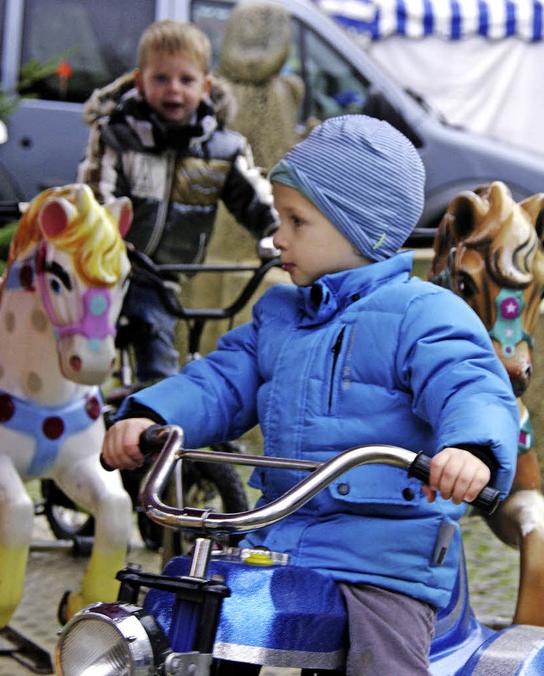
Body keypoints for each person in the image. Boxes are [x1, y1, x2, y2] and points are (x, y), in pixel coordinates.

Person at [102, 115, 519, 674]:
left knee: (384, 658)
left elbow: (470, 382)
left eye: (297, 221)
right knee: (196, 619)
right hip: (280, 537)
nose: (278, 237)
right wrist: (153, 413)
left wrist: (471, 451)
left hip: (382, 556)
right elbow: (222, 379)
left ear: (360, 228)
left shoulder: (424, 313)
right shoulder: (280, 315)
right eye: (279, 218)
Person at [77, 19, 278, 385]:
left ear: (206, 87)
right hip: (112, 265)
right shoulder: (119, 135)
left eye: (186, 80)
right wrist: (111, 239)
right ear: (139, 82)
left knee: (180, 332)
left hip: (169, 271)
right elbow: (97, 196)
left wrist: (277, 232)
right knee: (144, 342)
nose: (174, 90)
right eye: (161, 79)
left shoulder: (223, 149)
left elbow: (256, 198)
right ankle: (145, 411)